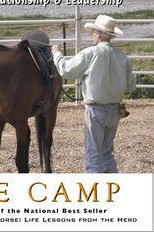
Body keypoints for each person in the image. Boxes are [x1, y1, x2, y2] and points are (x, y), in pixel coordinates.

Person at [51, 15, 136, 173]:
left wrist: (57, 54)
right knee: (107, 153)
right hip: (114, 110)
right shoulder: (121, 57)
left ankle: (95, 191)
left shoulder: (90, 53)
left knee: (93, 155)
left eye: (94, 32)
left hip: (96, 110)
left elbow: (66, 70)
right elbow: (131, 86)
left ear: (98, 34)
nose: (93, 35)